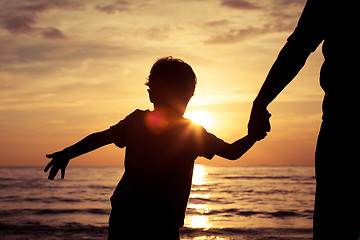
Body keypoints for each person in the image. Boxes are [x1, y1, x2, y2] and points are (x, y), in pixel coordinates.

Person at [44, 57, 269, 240]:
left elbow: (99, 138)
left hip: (125, 216)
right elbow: (232, 152)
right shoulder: (191, 132)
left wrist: (68, 153)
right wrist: (254, 136)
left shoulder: (136, 122)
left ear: (151, 93)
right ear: (189, 96)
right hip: (163, 222)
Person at [248, 0, 359, 239]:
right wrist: (261, 101)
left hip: (342, 124)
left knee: (333, 227)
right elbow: (298, 47)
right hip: (339, 120)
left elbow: (299, 46)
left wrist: (261, 102)